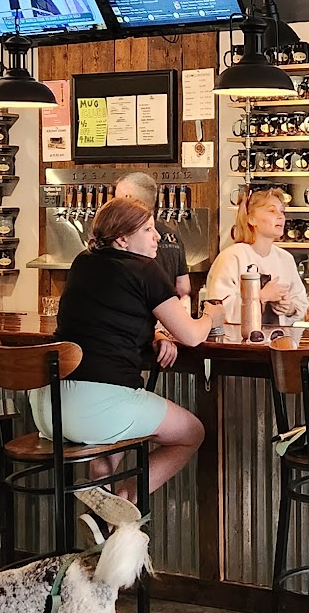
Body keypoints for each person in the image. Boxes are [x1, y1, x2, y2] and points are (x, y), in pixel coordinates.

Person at [37, 197, 211, 492]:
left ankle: (100, 501)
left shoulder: (83, 262)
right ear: (122, 239)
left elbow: (107, 320)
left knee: (118, 428)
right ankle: (122, 506)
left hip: (49, 408)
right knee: (192, 432)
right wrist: (211, 314)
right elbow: (192, 336)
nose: (157, 237)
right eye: (147, 230)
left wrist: (157, 336)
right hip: (98, 407)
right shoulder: (145, 269)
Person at [205, 187, 307, 330]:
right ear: (251, 219)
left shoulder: (286, 259)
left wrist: (289, 308)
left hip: (278, 339)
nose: (280, 216)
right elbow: (218, 311)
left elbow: (301, 303)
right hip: (238, 340)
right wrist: (261, 297)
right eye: (272, 211)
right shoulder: (232, 257)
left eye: (282, 211)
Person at [114, 170, 189, 297]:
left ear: (128, 199)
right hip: (168, 307)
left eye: (117, 199)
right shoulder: (173, 237)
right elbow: (183, 288)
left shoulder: (126, 237)